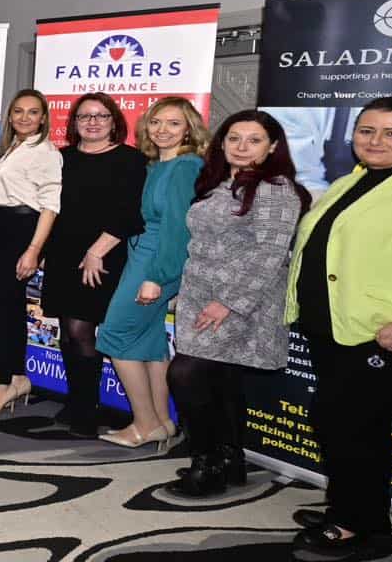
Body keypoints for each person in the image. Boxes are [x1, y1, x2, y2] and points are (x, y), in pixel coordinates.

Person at [285, 97, 392, 559]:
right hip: (337, 329)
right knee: (345, 425)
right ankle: (349, 508)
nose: (376, 141)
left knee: (351, 425)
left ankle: (363, 530)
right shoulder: (351, 181)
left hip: (388, 336)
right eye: (367, 130)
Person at [165, 110, 307, 497]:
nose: (242, 147)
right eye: (234, 138)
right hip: (201, 297)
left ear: (272, 146)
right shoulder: (219, 182)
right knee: (221, 381)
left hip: (240, 303)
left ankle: (206, 463)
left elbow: (271, 254)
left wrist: (228, 302)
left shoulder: (275, 188)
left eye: (254, 140)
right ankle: (230, 460)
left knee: (185, 374)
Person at [97, 98, 207, 448]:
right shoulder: (157, 165)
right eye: (156, 122)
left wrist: (157, 277)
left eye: (174, 123)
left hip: (157, 259)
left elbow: (178, 227)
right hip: (142, 255)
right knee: (149, 341)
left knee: (114, 334)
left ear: (188, 129)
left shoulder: (186, 166)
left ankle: (144, 424)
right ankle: (162, 422)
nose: (163, 130)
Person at [40, 92, 146, 438]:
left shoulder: (130, 159)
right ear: (74, 123)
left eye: (101, 116)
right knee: (66, 332)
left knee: (81, 331)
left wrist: (97, 251)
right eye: (85, 116)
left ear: (114, 122)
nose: (93, 122)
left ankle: (88, 411)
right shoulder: (62, 157)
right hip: (62, 254)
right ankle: (76, 401)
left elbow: (130, 213)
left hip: (102, 255)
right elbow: (50, 206)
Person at [0, 90, 60, 415]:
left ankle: (2, 385)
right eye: (19, 111)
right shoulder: (14, 147)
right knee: (6, 308)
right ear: (10, 116)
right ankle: (17, 378)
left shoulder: (46, 152)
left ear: (43, 118)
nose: (25, 117)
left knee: (0, 309)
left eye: (33, 112)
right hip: (6, 232)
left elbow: (50, 206)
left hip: (23, 232)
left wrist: (34, 249)